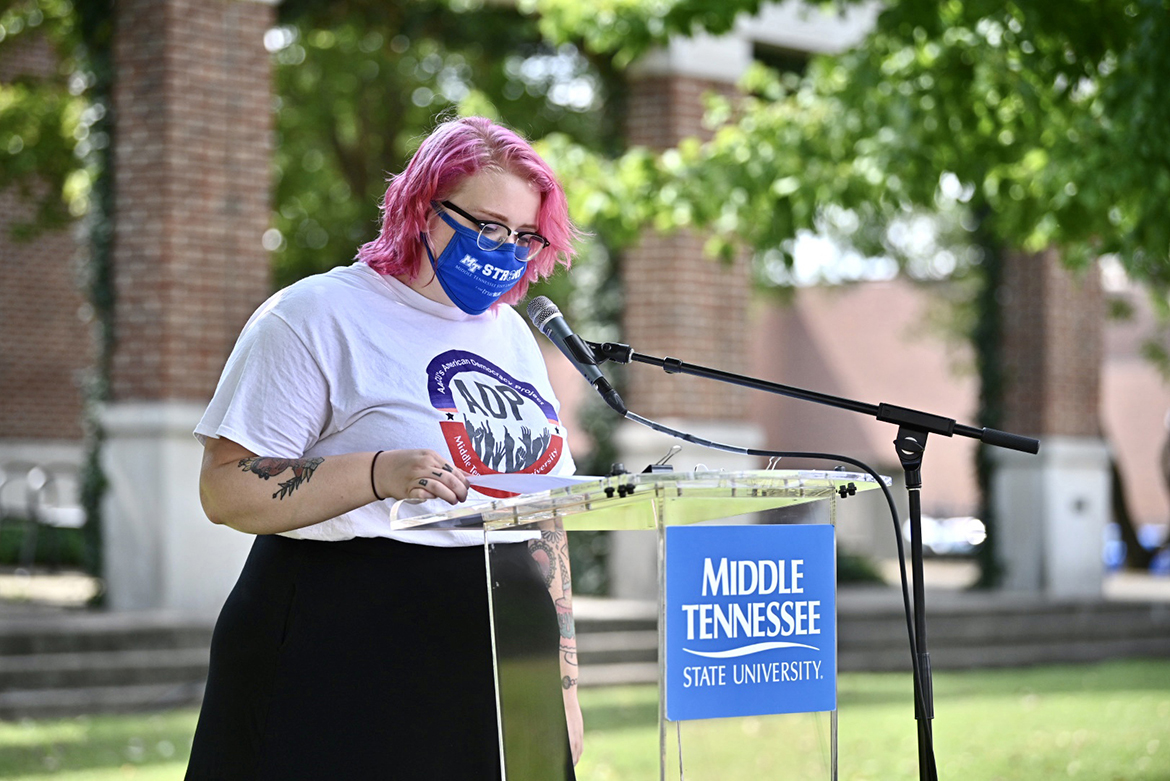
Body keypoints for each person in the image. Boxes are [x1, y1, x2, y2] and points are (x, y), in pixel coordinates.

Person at [185, 116, 583, 779]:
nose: (505, 249)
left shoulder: (511, 335)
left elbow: (544, 513)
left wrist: (563, 685)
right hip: (343, 647)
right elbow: (224, 486)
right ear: (423, 208)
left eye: (524, 235)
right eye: (487, 225)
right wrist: (374, 472)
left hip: (500, 650)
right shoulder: (315, 315)